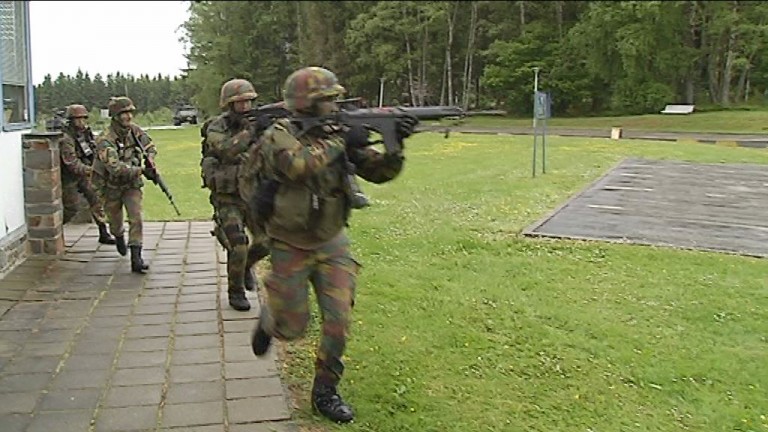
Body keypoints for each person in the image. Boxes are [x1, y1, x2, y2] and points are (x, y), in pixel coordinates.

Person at [249, 66, 417, 423]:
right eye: (327, 100)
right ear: (304, 104)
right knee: (293, 328)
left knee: (338, 321)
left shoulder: (337, 132)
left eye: (335, 98)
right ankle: (272, 319)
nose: (335, 105)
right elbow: (298, 166)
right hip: (290, 242)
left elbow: (380, 173)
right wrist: (344, 139)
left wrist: (394, 144)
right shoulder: (278, 134)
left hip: (332, 241)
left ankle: (325, 390)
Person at [200, 79, 270, 311]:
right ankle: (236, 291)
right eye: (240, 103)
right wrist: (250, 131)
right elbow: (227, 151)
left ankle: (245, 265)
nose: (246, 106)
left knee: (266, 242)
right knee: (239, 244)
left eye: (249, 101)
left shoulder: (259, 125)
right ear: (229, 104)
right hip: (227, 197)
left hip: (253, 194)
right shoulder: (217, 127)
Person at [91, 96, 156, 274]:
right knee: (115, 221)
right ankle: (118, 236)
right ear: (115, 116)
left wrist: (150, 158)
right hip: (110, 186)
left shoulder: (134, 131)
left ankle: (136, 257)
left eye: (130, 113)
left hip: (131, 185)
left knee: (136, 217)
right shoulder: (105, 140)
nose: (128, 117)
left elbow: (149, 145)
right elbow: (115, 169)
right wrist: (142, 171)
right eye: (123, 113)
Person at [58, 104, 115, 245]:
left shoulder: (85, 135)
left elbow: (93, 150)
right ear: (71, 121)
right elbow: (71, 164)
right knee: (71, 208)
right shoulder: (66, 139)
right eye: (78, 119)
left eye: (84, 119)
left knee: (96, 199)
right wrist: (92, 170)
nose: (82, 122)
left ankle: (103, 232)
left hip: (84, 174)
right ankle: (55, 231)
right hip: (70, 177)